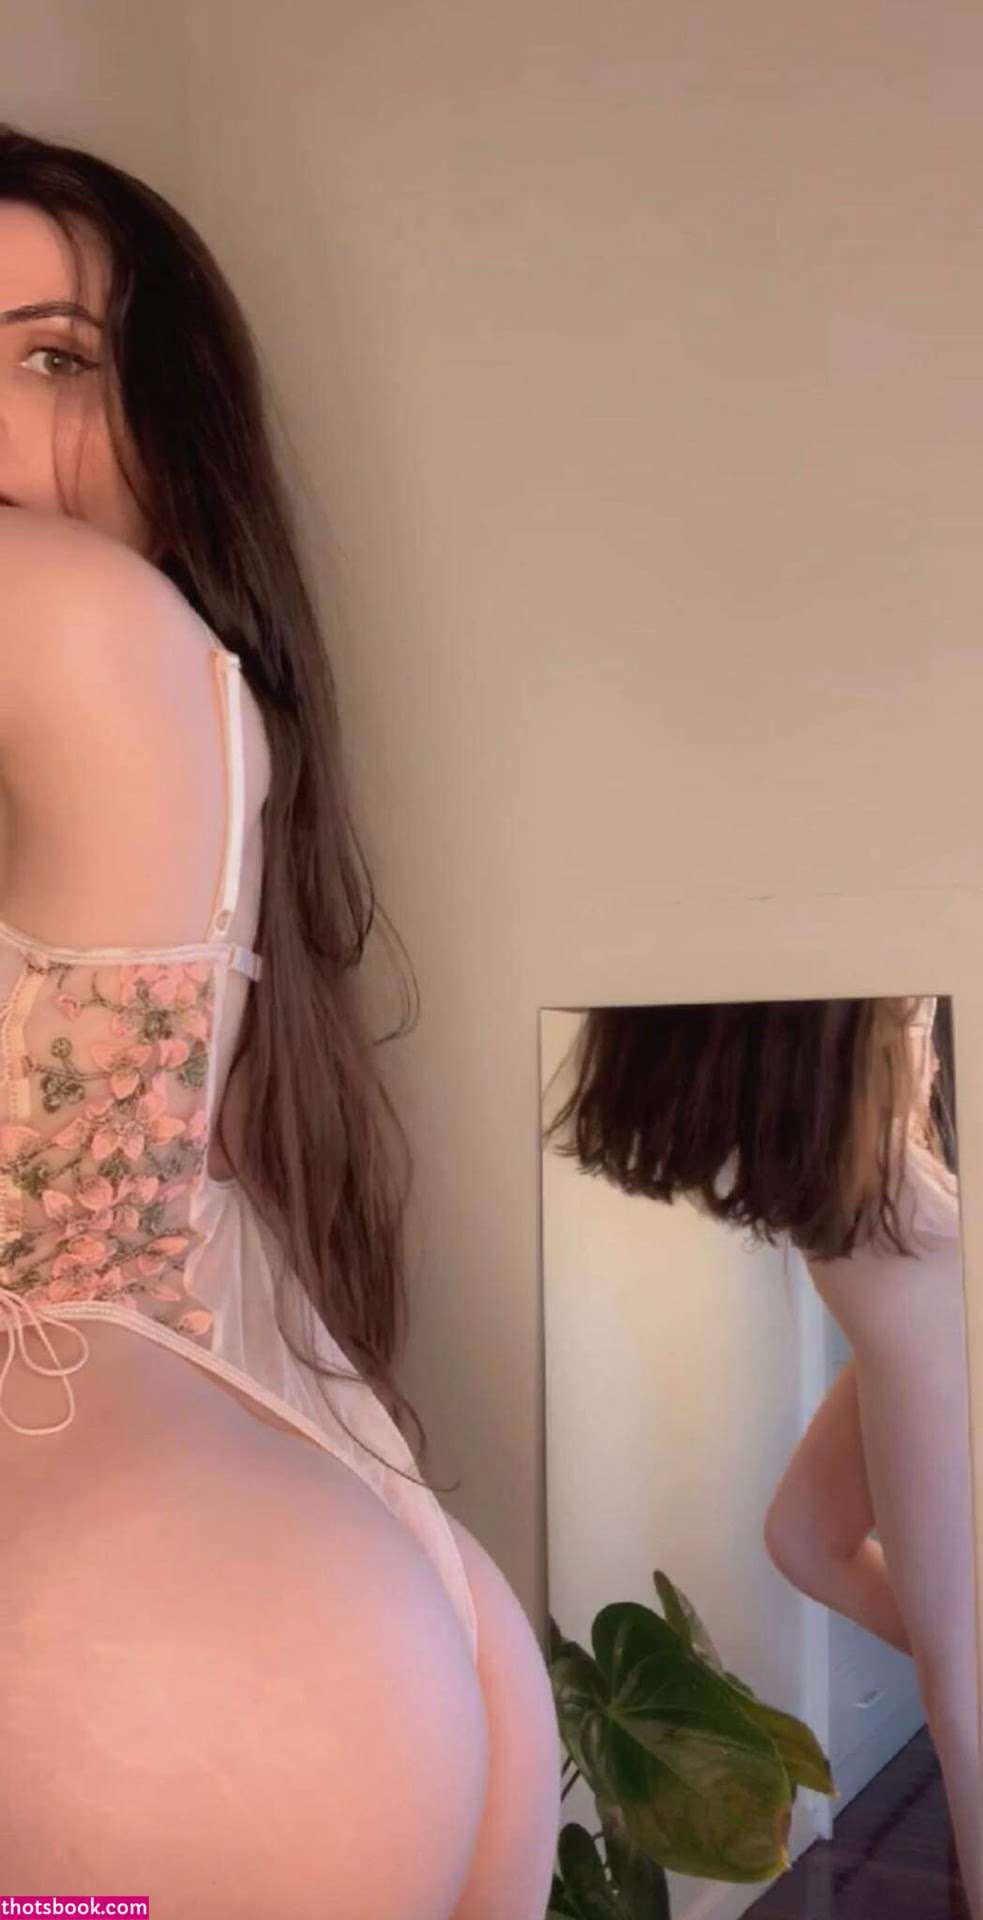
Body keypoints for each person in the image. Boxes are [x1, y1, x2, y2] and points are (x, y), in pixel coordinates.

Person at [0, 123, 561, 1917]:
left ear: (175, 435)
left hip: (113, 1663)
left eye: (53, 359)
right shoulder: (180, 700)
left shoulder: (55, 609)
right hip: (330, 1602)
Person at [543, 994, 980, 1918]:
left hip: (937, 1327)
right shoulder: (816, 1096)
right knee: (802, 1538)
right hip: (908, 1323)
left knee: (962, 1697)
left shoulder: (860, 1128)